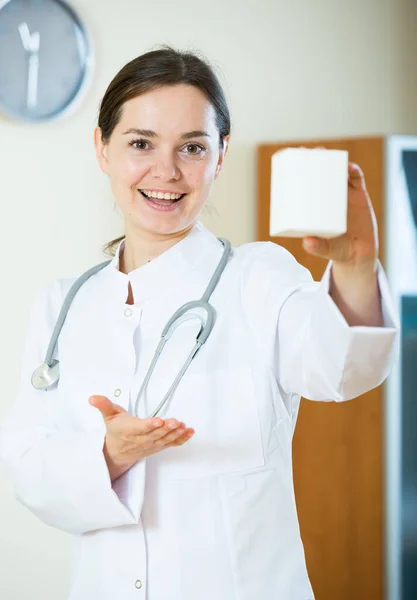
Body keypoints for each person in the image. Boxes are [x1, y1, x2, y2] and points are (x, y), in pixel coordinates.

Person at [0, 45, 399, 600]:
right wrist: (110, 455)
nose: (166, 171)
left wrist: (354, 266)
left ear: (220, 155)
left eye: (192, 147)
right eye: (141, 143)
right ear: (102, 148)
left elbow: (341, 366)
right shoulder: (62, 305)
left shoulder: (257, 278)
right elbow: (27, 468)